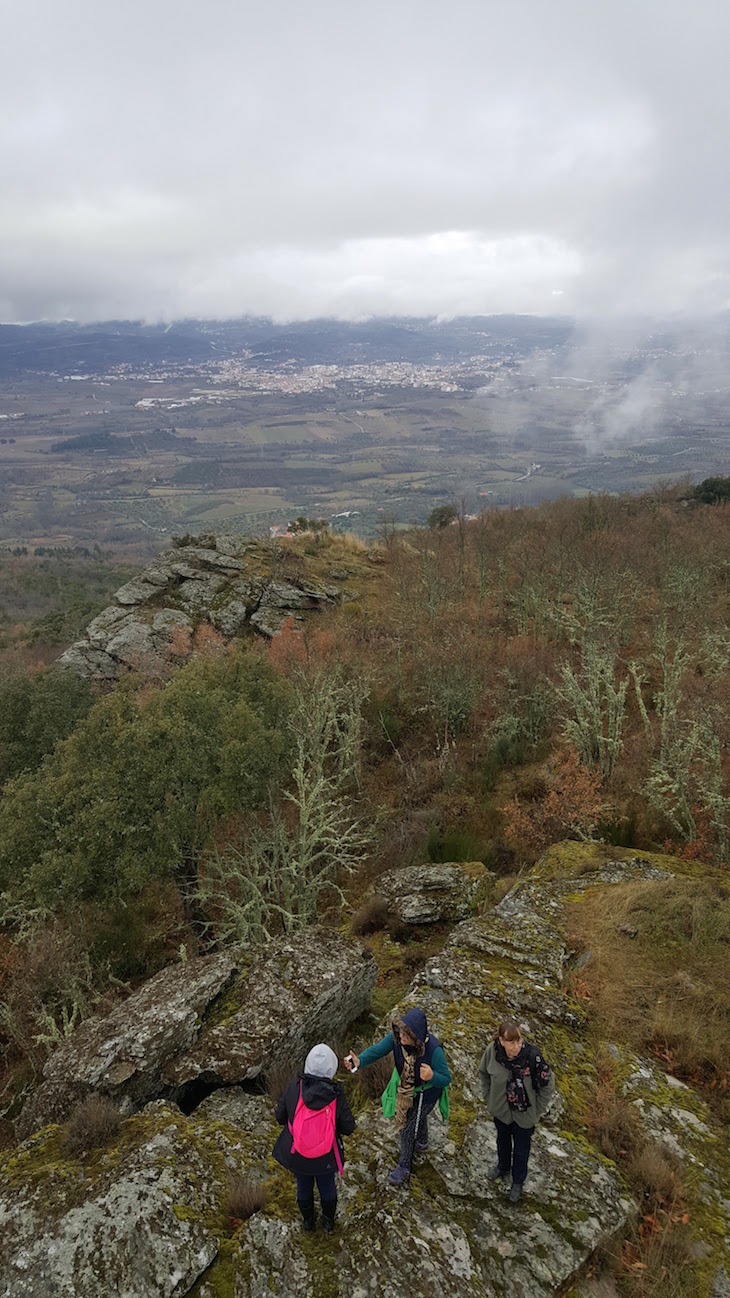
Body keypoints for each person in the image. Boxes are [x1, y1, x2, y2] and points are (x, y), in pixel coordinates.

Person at [345, 1006, 451, 1186]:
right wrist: (359, 1061)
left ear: (416, 1038)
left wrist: (433, 1076)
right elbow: (378, 1050)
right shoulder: (397, 1038)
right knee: (417, 1116)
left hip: (428, 1092)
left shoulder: (434, 1051)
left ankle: (404, 1166)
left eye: (406, 1036)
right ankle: (422, 1143)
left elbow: (446, 1078)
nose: (401, 1037)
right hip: (407, 1088)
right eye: (401, 1032)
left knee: (408, 1126)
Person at [272, 1042, 355, 1233]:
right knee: (327, 1187)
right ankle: (328, 1223)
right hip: (325, 1156)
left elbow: (279, 1117)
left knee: (303, 1186)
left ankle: (308, 1222)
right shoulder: (336, 1095)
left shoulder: (295, 1087)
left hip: (298, 1153)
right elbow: (348, 1127)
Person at [478, 1018, 555, 1202]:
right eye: (511, 1042)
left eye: (519, 1041)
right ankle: (503, 1167)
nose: (516, 1046)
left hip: (525, 1115)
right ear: (501, 1041)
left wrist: (537, 1111)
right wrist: (489, 1099)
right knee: (502, 1140)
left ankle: (518, 1181)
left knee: (522, 1149)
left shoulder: (532, 1057)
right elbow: (484, 1074)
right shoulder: (492, 1052)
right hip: (501, 1112)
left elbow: (548, 1084)